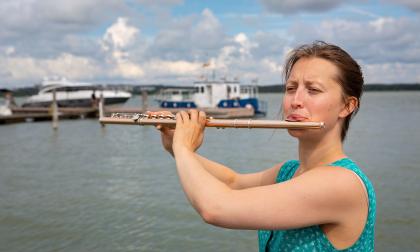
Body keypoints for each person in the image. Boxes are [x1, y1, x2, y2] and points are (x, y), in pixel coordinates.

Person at [152, 41, 376, 251]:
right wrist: (175, 146)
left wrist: (183, 149)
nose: (295, 100)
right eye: (290, 88)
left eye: (313, 90)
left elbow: (215, 208)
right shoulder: (289, 171)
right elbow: (232, 181)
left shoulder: (341, 183)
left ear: (347, 106)